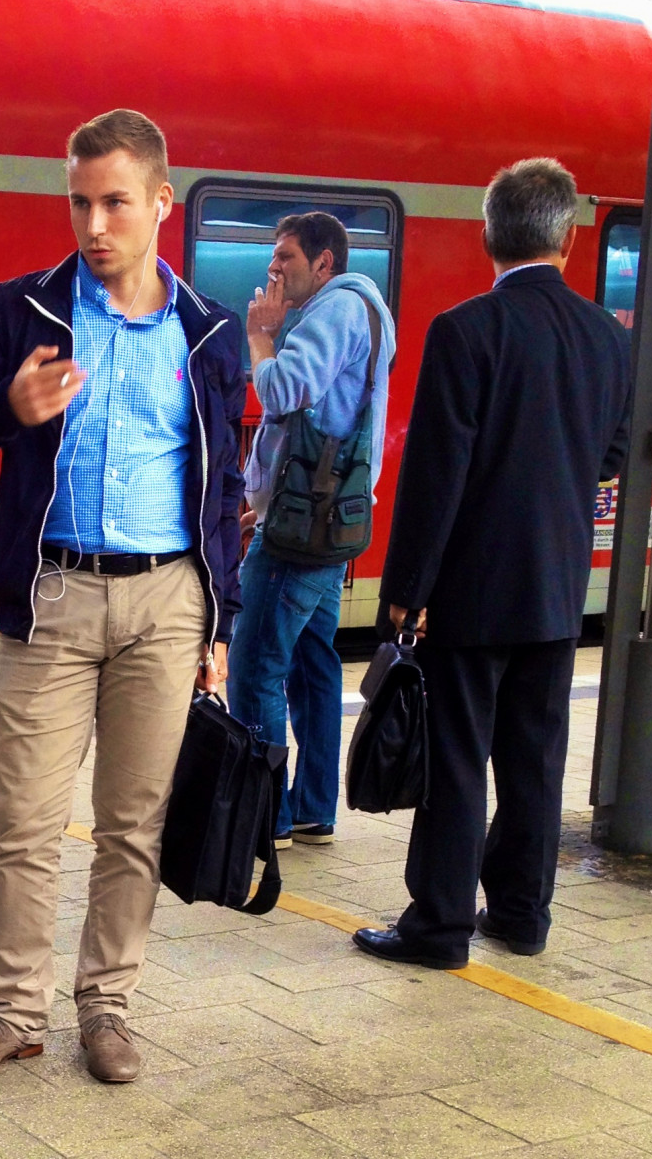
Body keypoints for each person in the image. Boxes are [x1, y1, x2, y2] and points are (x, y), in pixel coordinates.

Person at [0, 109, 245, 1083]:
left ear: (158, 206)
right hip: (54, 593)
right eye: (79, 202)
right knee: (21, 821)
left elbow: (219, 487)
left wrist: (216, 620)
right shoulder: (23, 313)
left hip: (167, 600)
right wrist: (3, 410)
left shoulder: (210, 334)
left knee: (131, 824)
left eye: (113, 202)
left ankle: (106, 1008)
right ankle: (12, 1015)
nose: (94, 224)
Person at [354, 157, 632, 970]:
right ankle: (521, 915)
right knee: (535, 760)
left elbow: (436, 475)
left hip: (472, 593)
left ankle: (438, 927)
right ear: (569, 240)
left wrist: (406, 591)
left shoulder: (465, 330)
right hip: (557, 588)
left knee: (456, 757)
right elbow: (610, 459)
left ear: (488, 236)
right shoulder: (605, 342)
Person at [230, 212, 395, 850]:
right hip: (324, 520)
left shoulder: (335, 311)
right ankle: (313, 809)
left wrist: (261, 338)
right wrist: (265, 498)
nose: (274, 269)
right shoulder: (369, 311)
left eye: (286, 257)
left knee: (254, 665)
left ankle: (263, 816)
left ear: (324, 263)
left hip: (302, 532)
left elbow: (285, 392)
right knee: (312, 664)